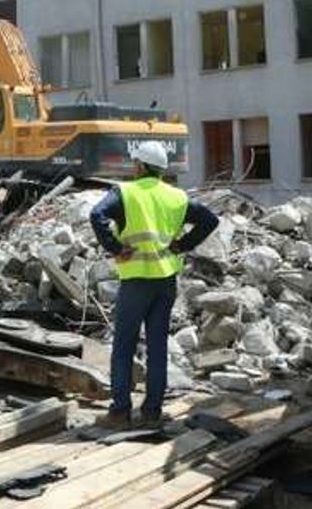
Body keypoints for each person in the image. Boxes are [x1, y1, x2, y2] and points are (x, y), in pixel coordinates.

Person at [89, 141, 219, 426]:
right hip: (165, 283)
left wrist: (114, 247)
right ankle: (152, 413)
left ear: (140, 166)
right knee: (158, 347)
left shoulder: (125, 192)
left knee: (124, 346)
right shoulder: (176, 197)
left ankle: (121, 411)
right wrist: (182, 245)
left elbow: (95, 214)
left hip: (136, 281)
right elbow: (210, 220)